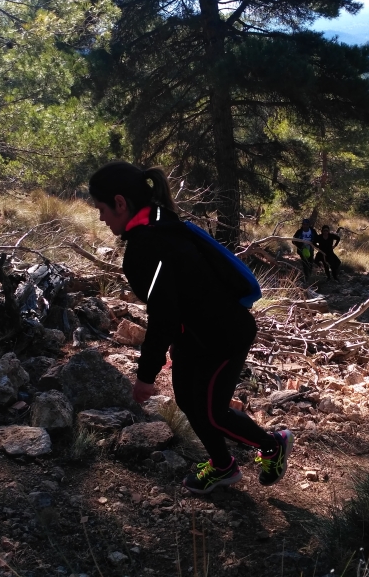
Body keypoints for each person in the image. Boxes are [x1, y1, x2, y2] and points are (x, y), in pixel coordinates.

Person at [89, 161, 294, 494]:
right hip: (195, 335)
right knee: (187, 399)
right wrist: (176, 341)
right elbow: (180, 296)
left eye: (101, 209)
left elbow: (163, 315)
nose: (101, 218)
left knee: (211, 413)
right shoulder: (161, 221)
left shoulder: (148, 244)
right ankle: (223, 466)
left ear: (120, 203)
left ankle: (273, 445)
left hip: (224, 337)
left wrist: (145, 376)